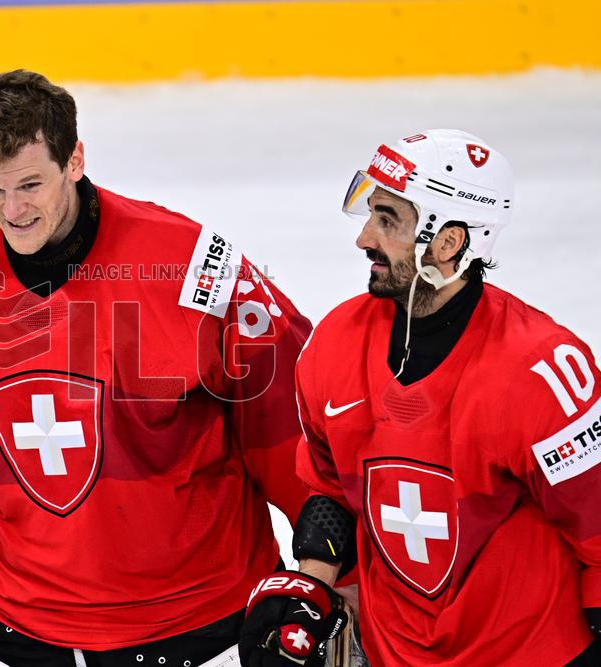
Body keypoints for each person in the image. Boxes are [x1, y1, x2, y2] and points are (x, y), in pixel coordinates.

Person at [0, 70, 313, 667]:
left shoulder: (190, 270)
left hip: (197, 615)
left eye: (31, 184)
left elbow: (290, 421)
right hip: (14, 611)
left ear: (75, 160)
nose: (12, 211)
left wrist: (330, 564)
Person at [239, 129, 601, 667]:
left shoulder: (541, 371)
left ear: (448, 243)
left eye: (388, 221)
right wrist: (310, 587)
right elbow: (331, 488)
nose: (364, 238)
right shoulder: (334, 344)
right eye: (370, 214)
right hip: (392, 651)